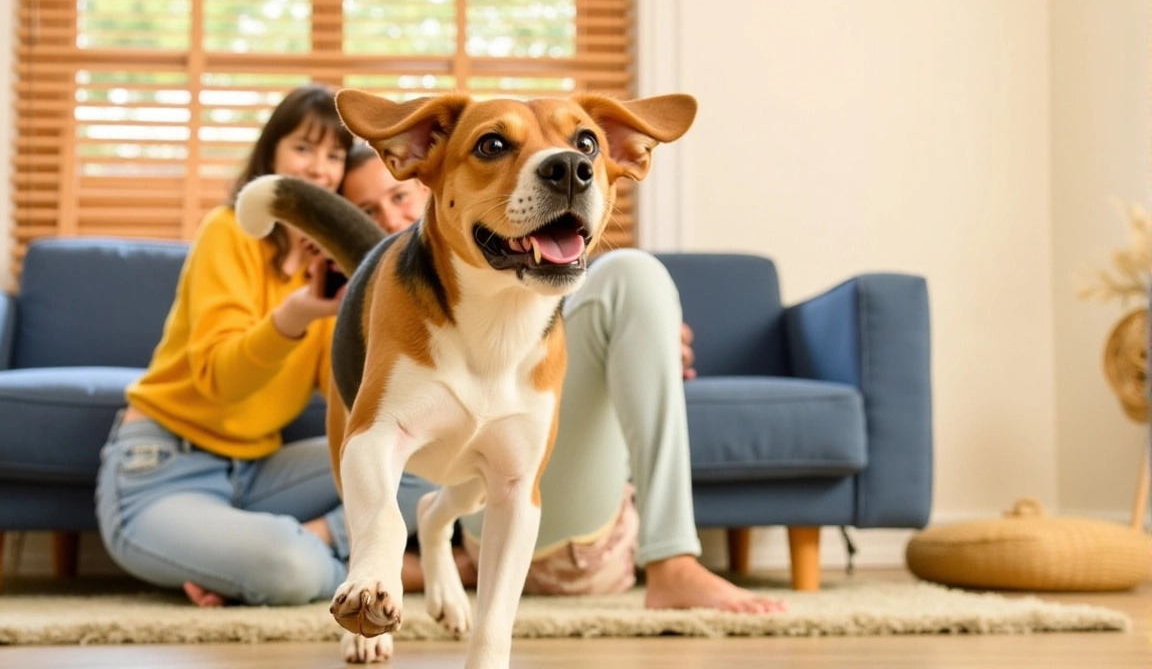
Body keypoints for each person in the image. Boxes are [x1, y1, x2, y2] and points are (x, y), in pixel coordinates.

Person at [339, 142, 786, 613]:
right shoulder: (367, 315)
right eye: (367, 210)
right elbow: (366, 449)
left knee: (634, 274)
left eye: (397, 198)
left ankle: (672, 560)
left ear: (422, 186)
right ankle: (445, 536)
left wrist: (643, 340)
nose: (389, 219)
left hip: (589, 534)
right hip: (477, 523)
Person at [93, 85, 455, 609]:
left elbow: (350, 400)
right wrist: (299, 312)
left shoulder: (336, 272)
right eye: (303, 149)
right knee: (287, 567)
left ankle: (305, 542)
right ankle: (382, 568)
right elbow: (220, 380)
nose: (319, 169)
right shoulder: (229, 232)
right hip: (161, 468)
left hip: (260, 471)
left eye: (333, 155)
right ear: (271, 155)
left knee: (425, 462)